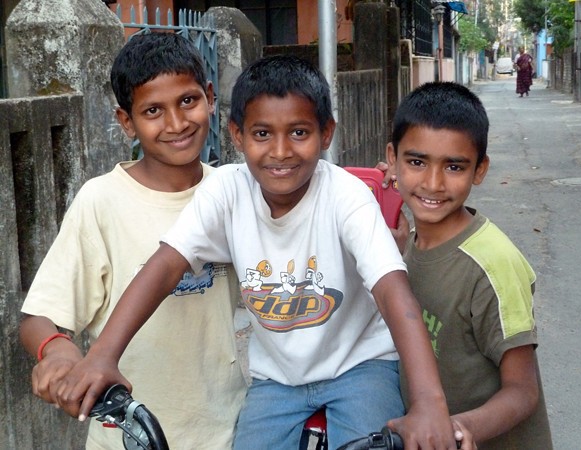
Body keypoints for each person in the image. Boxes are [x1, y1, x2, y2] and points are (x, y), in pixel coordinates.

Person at [52, 54, 457, 450]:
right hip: (275, 378)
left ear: (326, 133)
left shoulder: (347, 197)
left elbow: (392, 291)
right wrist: (102, 356)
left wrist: (429, 403)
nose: (280, 151)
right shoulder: (225, 190)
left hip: (360, 365)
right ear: (237, 135)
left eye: (299, 133)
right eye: (262, 134)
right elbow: (165, 266)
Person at [19, 33, 247, 450]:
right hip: (127, 433)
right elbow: (38, 318)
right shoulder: (101, 201)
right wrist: (57, 351)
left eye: (188, 101)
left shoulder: (233, 193)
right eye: (153, 110)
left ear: (211, 97)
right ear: (127, 121)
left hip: (227, 430)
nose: (176, 123)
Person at [384, 81, 553, 449]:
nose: (433, 183)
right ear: (392, 159)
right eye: (416, 162)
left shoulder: (494, 265)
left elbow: (523, 391)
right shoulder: (409, 243)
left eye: (454, 167)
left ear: (479, 169)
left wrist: (457, 427)